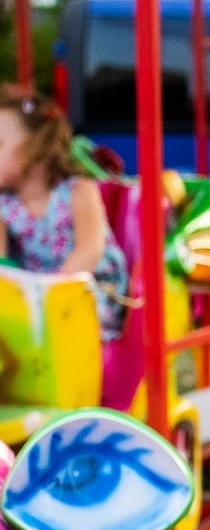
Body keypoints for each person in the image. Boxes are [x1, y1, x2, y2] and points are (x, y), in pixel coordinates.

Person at [0, 90, 127, 342]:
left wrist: (50, 293)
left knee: (57, 325)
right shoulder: (4, 205)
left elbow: (90, 249)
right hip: (32, 300)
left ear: (35, 146)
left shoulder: (78, 191)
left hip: (87, 289)